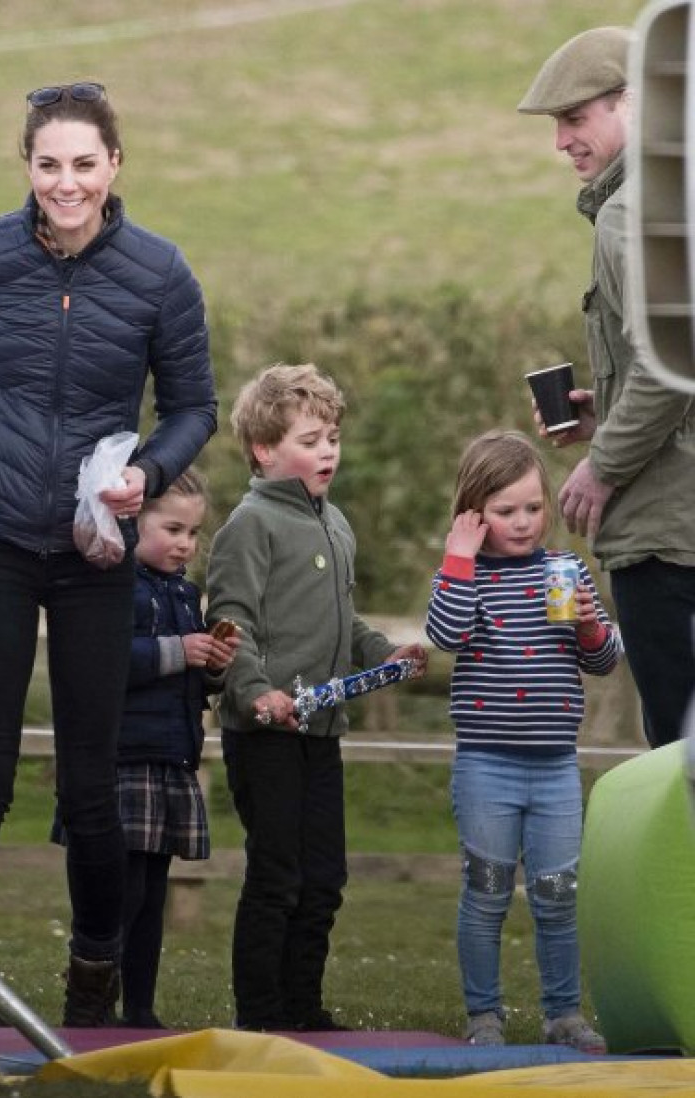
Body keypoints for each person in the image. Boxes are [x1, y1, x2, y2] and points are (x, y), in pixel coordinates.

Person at [0, 82, 217, 1025]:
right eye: (49, 166)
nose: (66, 184)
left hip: (97, 550)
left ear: (115, 165)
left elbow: (195, 404)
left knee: (90, 781)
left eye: (84, 164)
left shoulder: (160, 272)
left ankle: (94, 973)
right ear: (28, 169)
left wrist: (147, 476)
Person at [205, 363, 427, 1032]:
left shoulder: (338, 526)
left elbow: (345, 621)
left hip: (323, 733)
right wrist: (254, 692)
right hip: (266, 733)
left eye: (332, 436)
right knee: (277, 878)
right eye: (309, 439)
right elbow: (229, 621)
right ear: (264, 450)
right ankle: (261, 1018)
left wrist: (384, 654)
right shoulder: (251, 525)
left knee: (324, 879)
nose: (327, 450)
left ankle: (304, 1013)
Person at [518, 27, 695, 749]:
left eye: (575, 118)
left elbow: (669, 366)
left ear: (631, 105)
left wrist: (604, 464)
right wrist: (609, 416)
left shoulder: (629, 217)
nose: (562, 141)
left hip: (665, 536)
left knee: (679, 761)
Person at [426, 429, 619, 1052]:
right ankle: (484, 1015)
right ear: (476, 513)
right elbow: (446, 635)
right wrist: (458, 556)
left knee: (558, 896)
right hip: (486, 765)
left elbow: (607, 659)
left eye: (533, 508)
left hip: (556, 768)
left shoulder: (564, 569)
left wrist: (591, 626)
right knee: (485, 894)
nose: (524, 522)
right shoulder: (465, 575)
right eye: (506, 511)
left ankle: (563, 1012)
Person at [116, 468, 239, 1029]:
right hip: (125, 757)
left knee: (154, 893)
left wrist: (211, 665)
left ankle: (140, 1008)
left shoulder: (187, 594)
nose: (185, 544)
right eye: (172, 529)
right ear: (133, 522)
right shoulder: (116, 586)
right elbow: (108, 661)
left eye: (193, 533)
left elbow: (187, 674)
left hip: (171, 756)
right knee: (123, 890)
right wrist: (176, 652)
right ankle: (94, 1000)